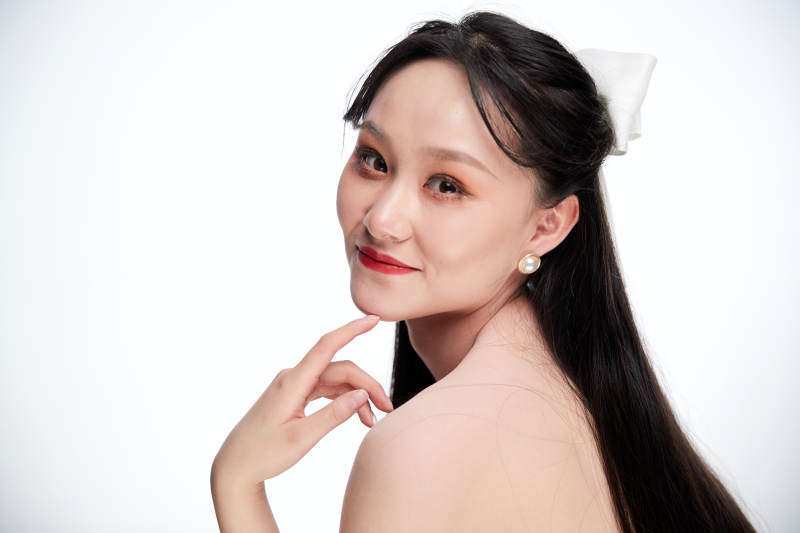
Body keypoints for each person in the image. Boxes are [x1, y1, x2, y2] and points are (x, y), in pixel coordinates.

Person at [210, 10, 757, 532]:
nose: (381, 220)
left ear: (546, 227)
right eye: (374, 159)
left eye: (447, 185)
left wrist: (237, 484)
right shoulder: (576, 392)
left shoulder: (426, 445)